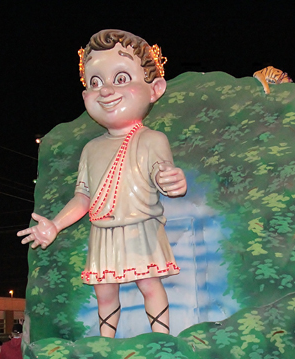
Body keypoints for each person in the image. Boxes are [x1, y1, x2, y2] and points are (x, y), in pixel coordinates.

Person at [18, 29, 187, 338]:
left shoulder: (151, 139)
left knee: (149, 283)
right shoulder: (91, 149)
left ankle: (162, 341)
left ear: (155, 88)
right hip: (102, 230)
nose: (106, 90)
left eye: (121, 78)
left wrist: (172, 181)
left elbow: (166, 174)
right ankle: (105, 343)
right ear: (86, 97)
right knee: (104, 292)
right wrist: (54, 225)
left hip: (140, 225)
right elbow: (83, 197)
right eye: (95, 82)